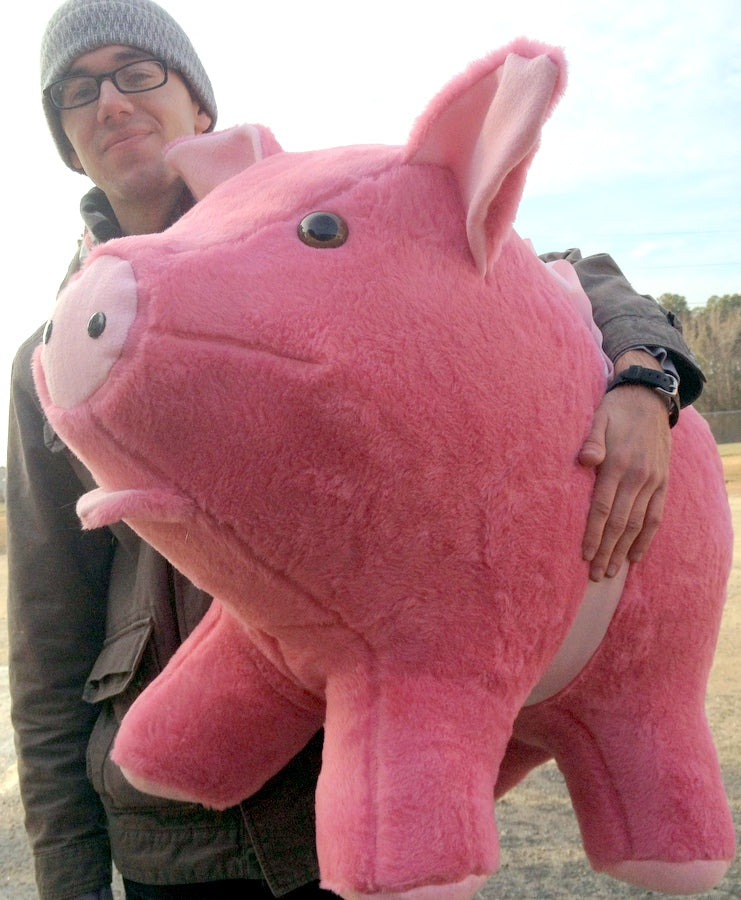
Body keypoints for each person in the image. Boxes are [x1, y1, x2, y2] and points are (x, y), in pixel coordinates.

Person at [7, 1, 705, 898]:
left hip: (346, 773)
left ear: (199, 106)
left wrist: (648, 378)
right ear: (64, 136)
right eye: (76, 90)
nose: (109, 101)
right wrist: (68, 877)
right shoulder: (51, 362)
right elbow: (46, 630)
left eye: (137, 72)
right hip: (170, 834)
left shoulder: (319, 210)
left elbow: (566, 272)